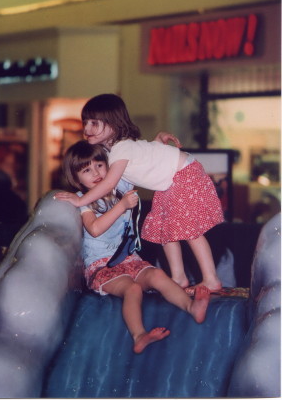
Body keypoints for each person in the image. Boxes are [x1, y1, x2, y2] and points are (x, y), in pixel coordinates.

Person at [55, 94, 223, 291]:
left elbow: (109, 183)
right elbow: (146, 156)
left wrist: (79, 200)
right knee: (165, 226)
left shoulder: (120, 148)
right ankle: (178, 278)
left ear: (113, 124)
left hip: (183, 173)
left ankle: (211, 278)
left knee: (189, 230)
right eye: (86, 123)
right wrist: (158, 140)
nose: (87, 129)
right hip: (170, 180)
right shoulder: (116, 149)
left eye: (94, 123)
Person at [57, 140, 210, 354]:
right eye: (86, 170)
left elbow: (137, 161)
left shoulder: (120, 185)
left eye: (99, 165)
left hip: (130, 260)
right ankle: (139, 335)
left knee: (157, 275)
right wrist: (121, 207)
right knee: (133, 288)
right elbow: (94, 228)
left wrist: (156, 141)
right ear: (76, 178)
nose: (96, 173)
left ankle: (190, 307)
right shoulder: (83, 201)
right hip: (101, 267)